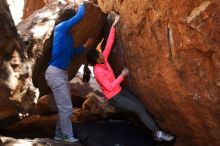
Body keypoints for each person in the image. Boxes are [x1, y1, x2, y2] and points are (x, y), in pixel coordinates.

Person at [83, 12, 174, 142]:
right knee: (139, 110)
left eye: (100, 54)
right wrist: (122, 76)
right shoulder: (98, 71)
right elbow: (109, 87)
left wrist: (114, 25)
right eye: (99, 57)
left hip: (120, 91)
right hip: (114, 97)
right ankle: (158, 133)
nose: (102, 56)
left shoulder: (104, 60)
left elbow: (108, 44)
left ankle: (154, 133)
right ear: (95, 61)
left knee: (141, 108)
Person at [45, 0, 93, 143]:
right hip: (55, 73)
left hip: (61, 73)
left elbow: (71, 54)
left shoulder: (68, 36)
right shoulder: (61, 28)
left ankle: (60, 134)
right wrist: (82, 3)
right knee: (66, 107)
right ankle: (67, 136)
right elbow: (79, 17)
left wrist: (85, 46)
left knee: (64, 107)